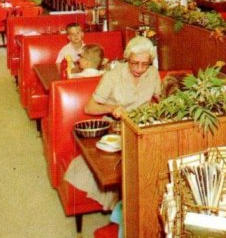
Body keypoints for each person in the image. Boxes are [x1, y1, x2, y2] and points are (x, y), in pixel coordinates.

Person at [64, 36, 162, 209]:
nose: (139, 69)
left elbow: (161, 100)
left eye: (144, 64)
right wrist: (111, 108)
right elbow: (89, 107)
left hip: (141, 127)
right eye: (134, 63)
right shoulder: (112, 75)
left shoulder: (153, 73)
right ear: (127, 58)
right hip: (115, 128)